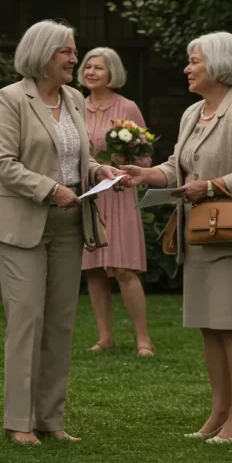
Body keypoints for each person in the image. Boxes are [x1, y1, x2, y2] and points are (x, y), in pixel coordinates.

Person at [0, 20, 123, 445]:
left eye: (74, 52)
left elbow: (82, 158)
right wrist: (50, 189)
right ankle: (18, 422)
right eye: (67, 52)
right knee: (26, 320)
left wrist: (101, 170)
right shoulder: (10, 98)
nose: (75, 59)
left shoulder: (74, 98)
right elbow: (2, 163)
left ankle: (50, 420)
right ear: (42, 54)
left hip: (70, 222)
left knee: (60, 322)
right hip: (21, 221)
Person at [122, 31, 232, 444]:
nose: (187, 68)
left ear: (219, 66)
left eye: (195, 61)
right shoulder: (193, 114)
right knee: (210, 326)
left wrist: (209, 187)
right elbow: (176, 167)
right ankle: (220, 411)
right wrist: (145, 175)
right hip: (198, 235)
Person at [78, 47, 155, 356]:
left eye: (99, 67)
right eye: (88, 66)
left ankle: (143, 339)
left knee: (124, 269)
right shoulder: (74, 106)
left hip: (120, 194)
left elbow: (147, 158)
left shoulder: (128, 107)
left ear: (113, 73)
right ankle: (105, 336)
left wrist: (127, 166)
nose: (92, 72)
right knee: (93, 269)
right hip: (89, 195)